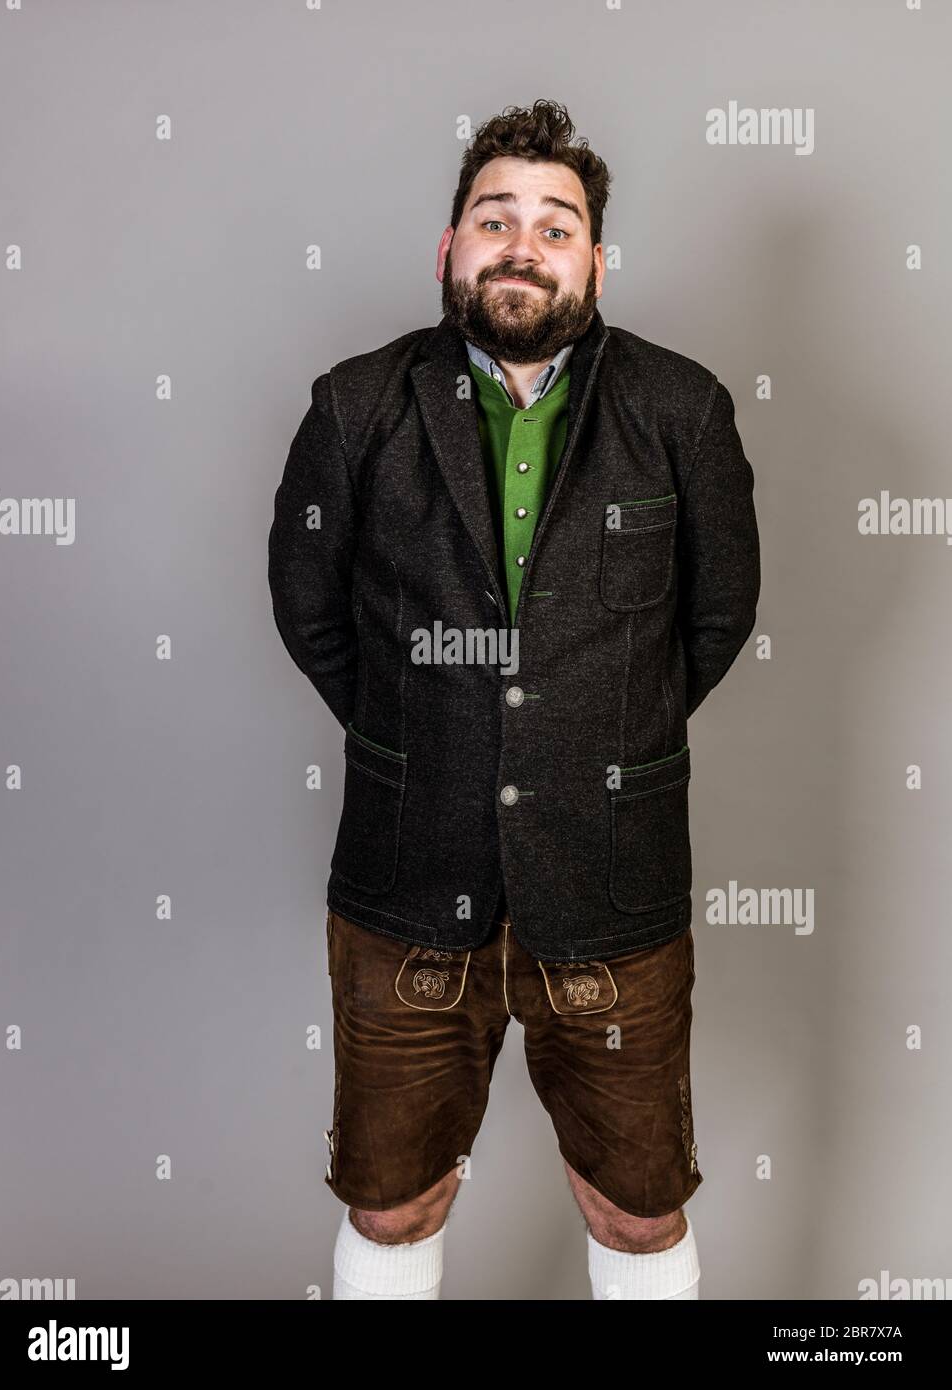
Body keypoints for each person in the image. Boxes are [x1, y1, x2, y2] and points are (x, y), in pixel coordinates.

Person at [268, 98, 761, 1300]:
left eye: (556, 224)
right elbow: (312, 614)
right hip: (401, 875)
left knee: (636, 1213)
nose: (522, 246)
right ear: (449, 249)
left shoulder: (681, 410)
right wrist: (424, 734)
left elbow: (712, 620)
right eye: (495, 220)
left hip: (612, 879)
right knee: (391, 1203)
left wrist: (586, 730)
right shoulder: (354, 406)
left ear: (596, 258)